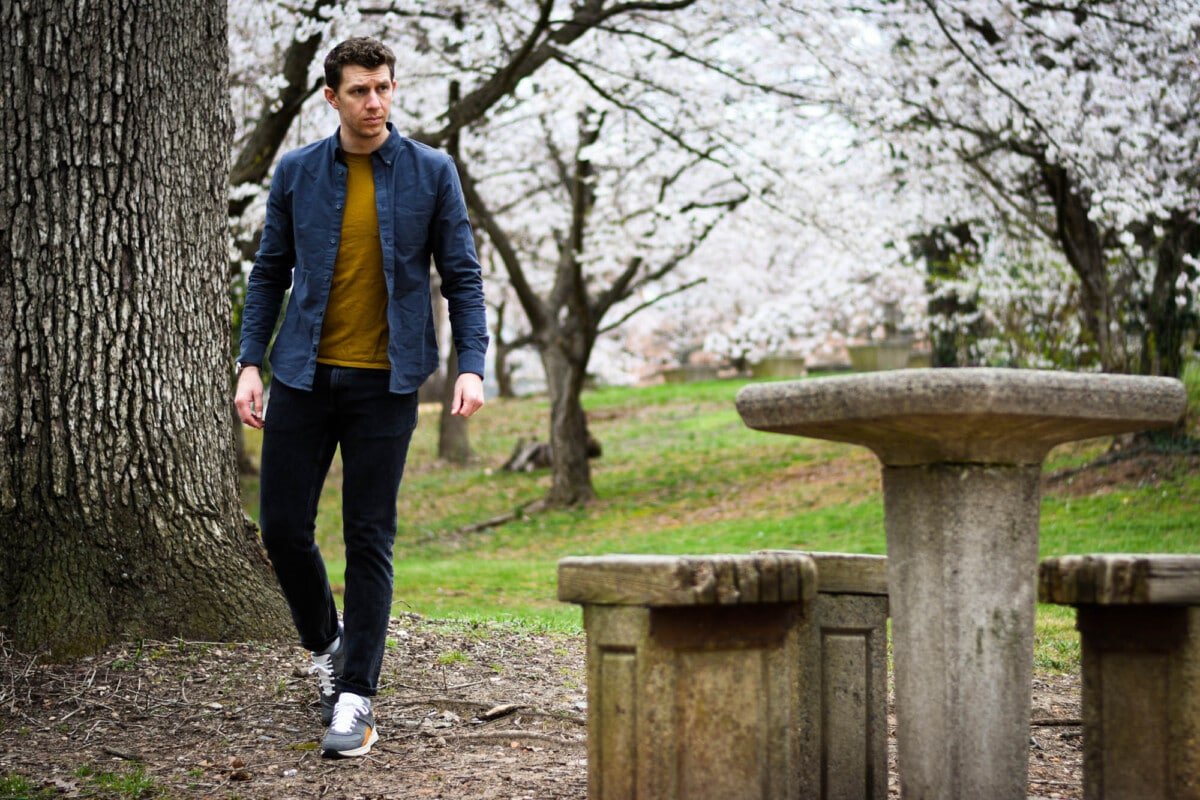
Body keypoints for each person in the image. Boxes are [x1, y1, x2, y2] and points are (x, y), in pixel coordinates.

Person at [234, 37, 487, 758]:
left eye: (382, 88)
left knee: (369, 537)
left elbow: (462, 277)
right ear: (331, 97)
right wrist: (250, 362)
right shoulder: (297, 172)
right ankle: (328, 647)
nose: (373, 103)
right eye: (358, 91)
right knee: (282, 528)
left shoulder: (432, 172)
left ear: (393, 89)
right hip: (303, 377)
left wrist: (471, 364)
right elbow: (268, 273)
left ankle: (356, 696)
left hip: (388, 383)